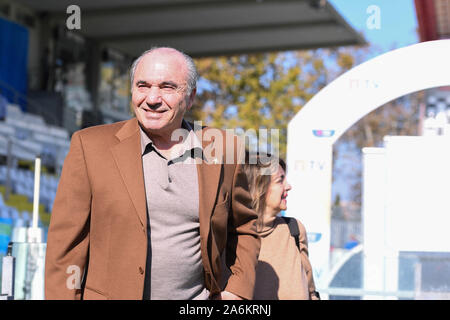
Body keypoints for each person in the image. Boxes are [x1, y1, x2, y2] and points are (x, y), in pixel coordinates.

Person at [45, 47, 260, 300]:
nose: (152, 98)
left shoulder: (223, 149)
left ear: (190, 97)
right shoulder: (90, 146)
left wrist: (237, 291)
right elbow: (65, 247)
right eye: (142, 86)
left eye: (167, 87)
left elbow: (245, 228)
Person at [243, 154, 319, 300]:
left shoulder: (294, 230)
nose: (289, 186)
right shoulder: (231, 237)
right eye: (280, 181)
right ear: (259, 188)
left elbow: (311, 291)